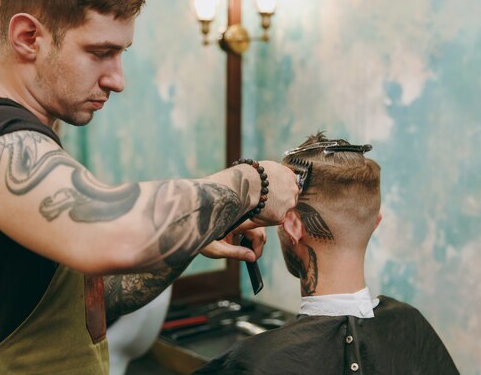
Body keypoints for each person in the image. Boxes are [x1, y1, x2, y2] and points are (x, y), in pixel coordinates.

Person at [0, 0, 300, 374]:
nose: (117, 79)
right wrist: (255, 182)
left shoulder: (33, 142)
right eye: (100, 52)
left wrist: (195, 229)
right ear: (28, 36)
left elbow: (96, 298)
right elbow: (113, 236)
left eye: (120, 53)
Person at [193, 132, 460, 375]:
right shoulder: (411, 328)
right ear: (375, 222)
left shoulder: (253, 363)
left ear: (292, 224)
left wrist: (196, 233)